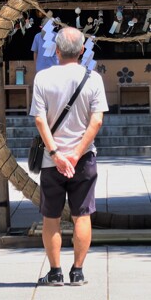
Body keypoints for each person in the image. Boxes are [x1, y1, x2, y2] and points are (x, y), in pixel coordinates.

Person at [29, 26, 108, 286]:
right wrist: (75, 154)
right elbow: (96, 120)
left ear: (57, 50)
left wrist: (56, 153)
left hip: (53, 161)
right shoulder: (93, 78)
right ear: (82, 51)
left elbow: (40, 120)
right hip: (83, 158)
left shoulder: (42, 77)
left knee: (50, 216)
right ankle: (77, 271)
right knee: (81, 214)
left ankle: (55, 272)